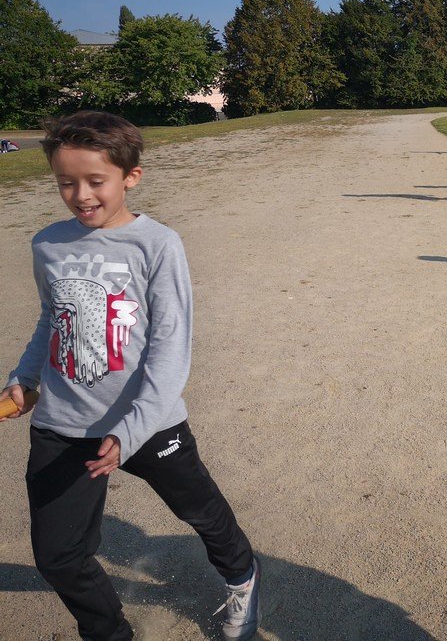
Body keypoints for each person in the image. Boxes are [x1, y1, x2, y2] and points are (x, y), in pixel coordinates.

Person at [0, 111, 261, 641]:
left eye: (96, 181)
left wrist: (134, 428)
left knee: (202, 512)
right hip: (64, 423)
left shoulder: (157, 244)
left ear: (130, 177)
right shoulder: (48, 244)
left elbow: (170, 349)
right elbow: (53, 318)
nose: (81, 195)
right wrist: (25, 377)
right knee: (58, 556)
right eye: (66, 182)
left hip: (147, 422)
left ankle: (242, 575)